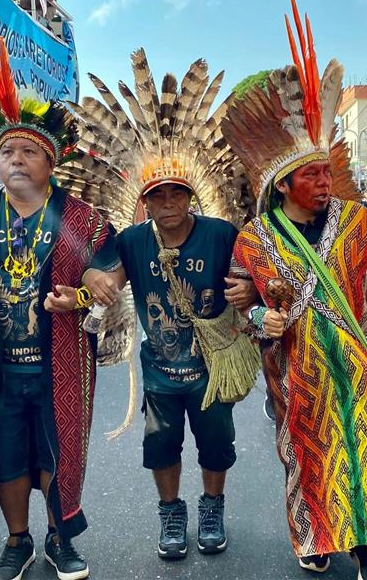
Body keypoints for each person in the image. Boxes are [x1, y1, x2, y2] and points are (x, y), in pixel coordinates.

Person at [224, 0, 367, 580]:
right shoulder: (254, 239)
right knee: (307, 451)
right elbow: (241, 305)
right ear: (283, 184)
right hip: (294, 366)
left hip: (356, 358)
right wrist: (262, 320)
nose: (324, 182)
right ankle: (312, 535)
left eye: (328, 171)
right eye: (311, 174)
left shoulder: (359, 224)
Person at [0, 29, 116, 580]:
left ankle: (60, 538)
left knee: (59, 451)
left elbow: (109, 274)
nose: (16, 159)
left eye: (29, 151)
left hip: (60, 362)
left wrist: (84, 289)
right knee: (4, 453)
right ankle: (18, 540)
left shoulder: (83, 218)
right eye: (7, 151)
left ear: (50, 162)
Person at [66, 52, 258, 560]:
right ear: (145, 202)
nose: (168, 203)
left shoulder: (221, 234)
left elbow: (251, 279)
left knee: (216, 445)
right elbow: (111, 278)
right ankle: (171, 513)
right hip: (160, 373)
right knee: (161, 448)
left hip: (212, 367)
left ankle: (212, 507)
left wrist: (249, 295)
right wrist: (89, 289)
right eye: (158, 196)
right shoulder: (132, 241)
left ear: (190, 197)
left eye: (177, 194)